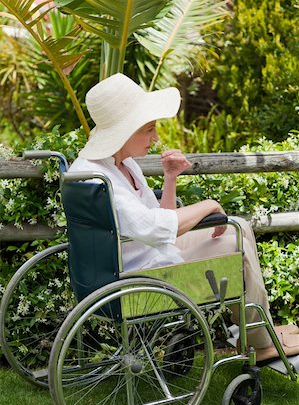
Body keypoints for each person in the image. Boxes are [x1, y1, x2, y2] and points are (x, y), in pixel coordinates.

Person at [69, 73, 299, 360]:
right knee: (236, 241)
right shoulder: (104, 179)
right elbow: (155, 228)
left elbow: (157, 221)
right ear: (124, 132)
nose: (155, 138)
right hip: (143, 275)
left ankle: (257, 331)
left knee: (237, 225)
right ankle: (258, 341)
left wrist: (170, 178)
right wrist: (209, 203)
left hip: (147, 256)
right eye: (149, 129)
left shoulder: (115, 165)